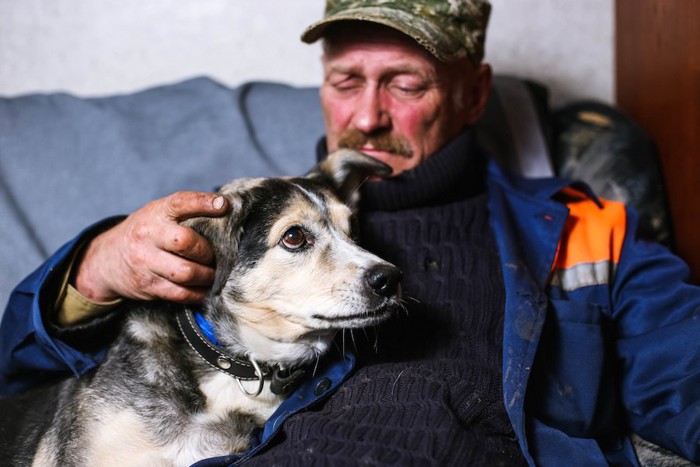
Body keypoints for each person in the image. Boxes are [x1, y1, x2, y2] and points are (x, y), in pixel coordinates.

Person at [1, 0, 699, 465]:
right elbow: (18, 379)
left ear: (475, 93)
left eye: (405, 83)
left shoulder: (586, 233)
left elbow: (686, 381)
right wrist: (91, 269)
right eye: (345, 80)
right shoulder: (251, 225)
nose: (367, 116)